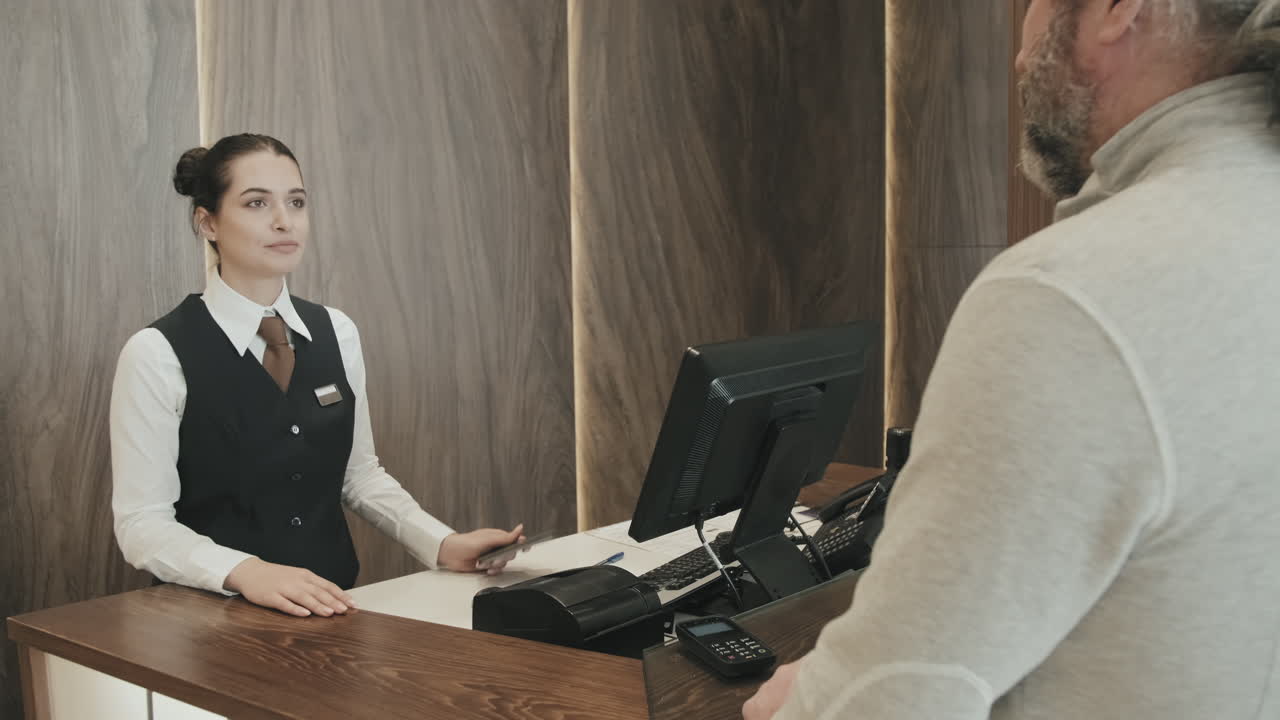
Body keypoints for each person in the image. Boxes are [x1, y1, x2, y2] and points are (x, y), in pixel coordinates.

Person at [745, 0, 1280, 717]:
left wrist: (804, 699)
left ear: (1121, 10)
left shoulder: (1074, 294)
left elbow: (886, 702)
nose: (1020, 53)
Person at [111, 133, 525, 618]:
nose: (284, 220)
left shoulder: (338, 332)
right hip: (209, 625)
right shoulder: (157, 354)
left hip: (333, 614)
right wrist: (248, 571)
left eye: (297, 201)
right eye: (256, 203)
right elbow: (142, 525)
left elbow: (359, 475)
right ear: (208, 223)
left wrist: (442, 543)